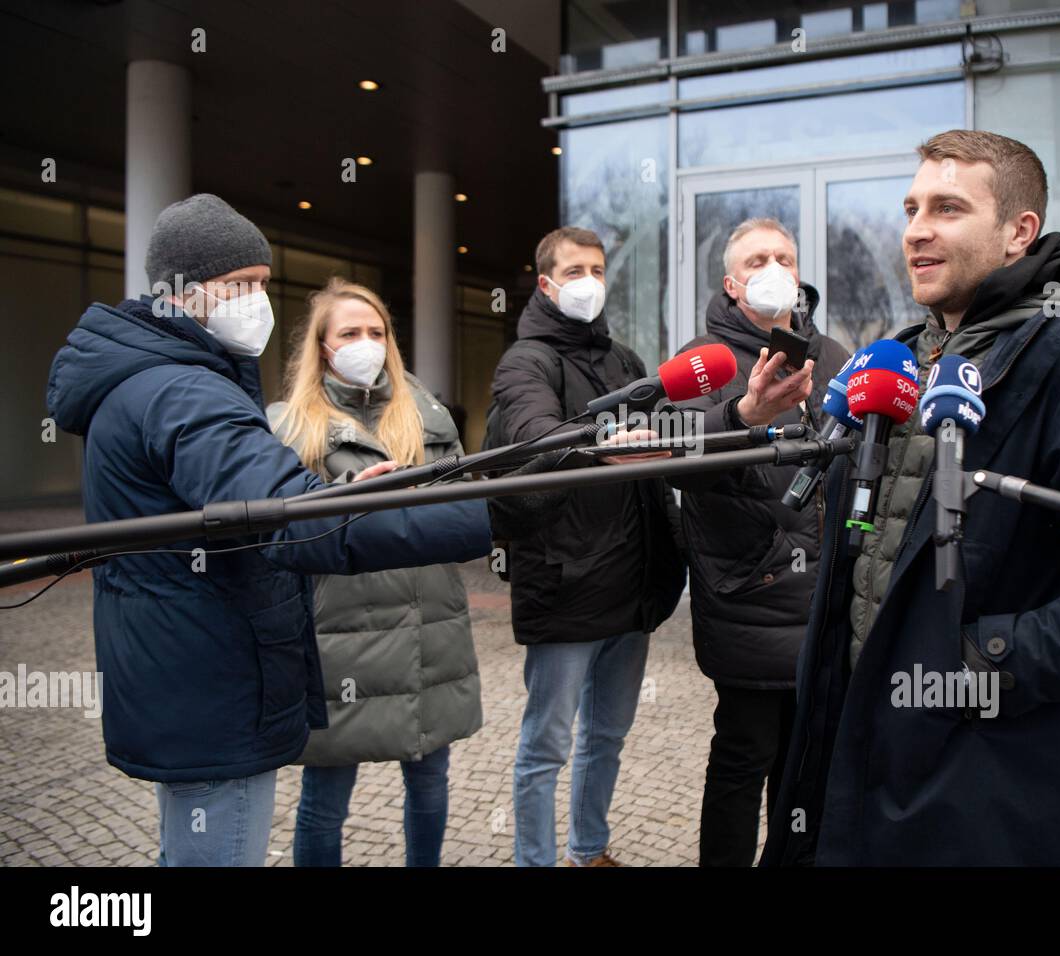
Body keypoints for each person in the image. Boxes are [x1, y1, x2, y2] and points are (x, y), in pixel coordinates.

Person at [44, 194, 539, 866]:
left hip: (193, 673)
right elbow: (289, 520)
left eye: (261, 285)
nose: (256, 302)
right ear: (181, 293)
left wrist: (338, 499)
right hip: (212, 681)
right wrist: (501, 513)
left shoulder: (165, 378)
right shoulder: (181, 391)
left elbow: (266, 505)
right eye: (239, 287)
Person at [761, 131, 1060, 866]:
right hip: (851, 760)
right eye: (910, 208)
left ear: (1017, 232)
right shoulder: (898, 359)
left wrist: (963, 664)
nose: (915, 230)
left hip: (981, 801)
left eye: (948, 208)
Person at [490, 226, 686, 867]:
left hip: (632, 586)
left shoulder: (623, 358)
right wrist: (599, 439)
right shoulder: (527, 361)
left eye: (597, 270)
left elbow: (661, 433)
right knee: (546, 745)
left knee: (607, 735)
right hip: (567, 583)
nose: (589, 283)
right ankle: (535, 860)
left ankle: (590, 849)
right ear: (545, 283)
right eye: (574, 271)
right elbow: (534, 432)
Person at [267, 278, 477, 867]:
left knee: (431, 782)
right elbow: (285, 529)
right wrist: (344, 498)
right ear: (323, 347)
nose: (367, 343)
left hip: (429, 627)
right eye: (350, 333)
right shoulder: (290, 425)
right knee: (327, 796)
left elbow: (461, 508)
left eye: (376, 332)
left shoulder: (426, 413)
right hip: (341, 637)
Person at [670, 218, 848, 866]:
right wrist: (743, 417)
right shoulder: (702, 359)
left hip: (822, 606)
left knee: (805, 773)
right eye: (757, 259)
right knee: (744, 761)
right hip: (748, 599)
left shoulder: (830, 355)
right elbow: (672, 450)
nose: (773, 267)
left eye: (783, 257)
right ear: (730, 282)